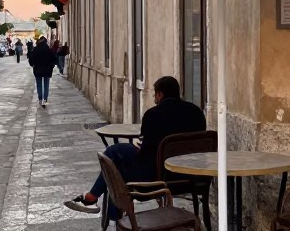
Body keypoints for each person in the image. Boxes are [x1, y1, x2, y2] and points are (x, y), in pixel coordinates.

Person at [65, 75, 206, 217]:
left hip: (158, 174)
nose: (154, 99)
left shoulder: (153, 115)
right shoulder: (196, 112)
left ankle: (103, 209)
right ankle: (94, 200)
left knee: (116, 164)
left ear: (160, 94)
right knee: (115, 154)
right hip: (190, 174)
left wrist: (141, 147)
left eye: (154, 95)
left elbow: (146, 155)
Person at [28, 35, 57, 108]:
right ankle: (45, 98)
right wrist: (51, 66)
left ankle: (40, 98)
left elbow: (31, 59)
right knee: (46, 84)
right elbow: (54, 59)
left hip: (37, 69)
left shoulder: (35, 49)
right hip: (47, 69)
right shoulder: (49, 50)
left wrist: (33, 65)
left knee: (39, 84)